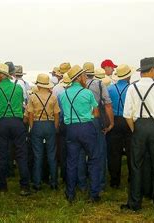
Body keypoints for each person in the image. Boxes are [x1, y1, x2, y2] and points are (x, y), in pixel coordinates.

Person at [121, 57, 154, 211]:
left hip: (138, 127)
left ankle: (135, 202)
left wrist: (134, 129)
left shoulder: (132, 88)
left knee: (136, 165)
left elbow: (127, 114)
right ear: (151, 70)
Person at [59, 65, 101, 202]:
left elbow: (63, 112)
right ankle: (94, 194)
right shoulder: (87, 93)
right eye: (84, 76)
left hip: (70, 128)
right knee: (94, 159)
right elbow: (96, 113)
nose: (86, 78)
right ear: (79, 77)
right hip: (86, 127)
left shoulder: (62, 94)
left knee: (72, 162)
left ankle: (70, 194)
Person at [0, 63, 31, 196]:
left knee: (1, 154)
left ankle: (2, 186)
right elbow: (20, 103)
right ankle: (24, 186)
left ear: (1, 75)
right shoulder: (18, 88)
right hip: (17, 122)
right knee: (21, 154)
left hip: (1, 123)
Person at [78, 62, 114, 190]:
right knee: (99, 152)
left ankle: (82, 183)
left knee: (81, 152)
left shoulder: (78, 86)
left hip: (81, 120)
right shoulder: (99, 84)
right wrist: (111, 122)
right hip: (96, 119)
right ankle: (100, 182)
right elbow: (108, 104)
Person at [27, 73, 60, 190]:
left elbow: (30, 115)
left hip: (37, 124)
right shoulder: (53, 97)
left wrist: (32, 127)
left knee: (38, 155)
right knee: (52, 155)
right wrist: (55, 128)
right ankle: (54, 182)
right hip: (50, 124)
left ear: (38, 84)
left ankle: (37, 183)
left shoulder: (33, 97)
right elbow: (57, 115)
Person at [107, 64, 134, 188]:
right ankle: (132, 178)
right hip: (129, 120)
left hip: (115, 120)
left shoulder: (110, 88)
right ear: (128, 76)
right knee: (131, 151)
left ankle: (114, 180)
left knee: (114, 152)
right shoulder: (132, 88)